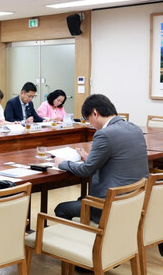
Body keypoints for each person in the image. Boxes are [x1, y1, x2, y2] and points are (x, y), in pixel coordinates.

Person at [54, 94, 148, 224]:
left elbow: (86, 170)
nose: (90, 124)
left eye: (88, 119)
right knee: (81, 199)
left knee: (61, 208)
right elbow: (117, 159)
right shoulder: (135, 128)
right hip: (135, 200)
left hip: (111, 205)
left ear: (95, 113)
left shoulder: (104, 134)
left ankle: (82, 236)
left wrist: (62, 163)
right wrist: (90, 158)